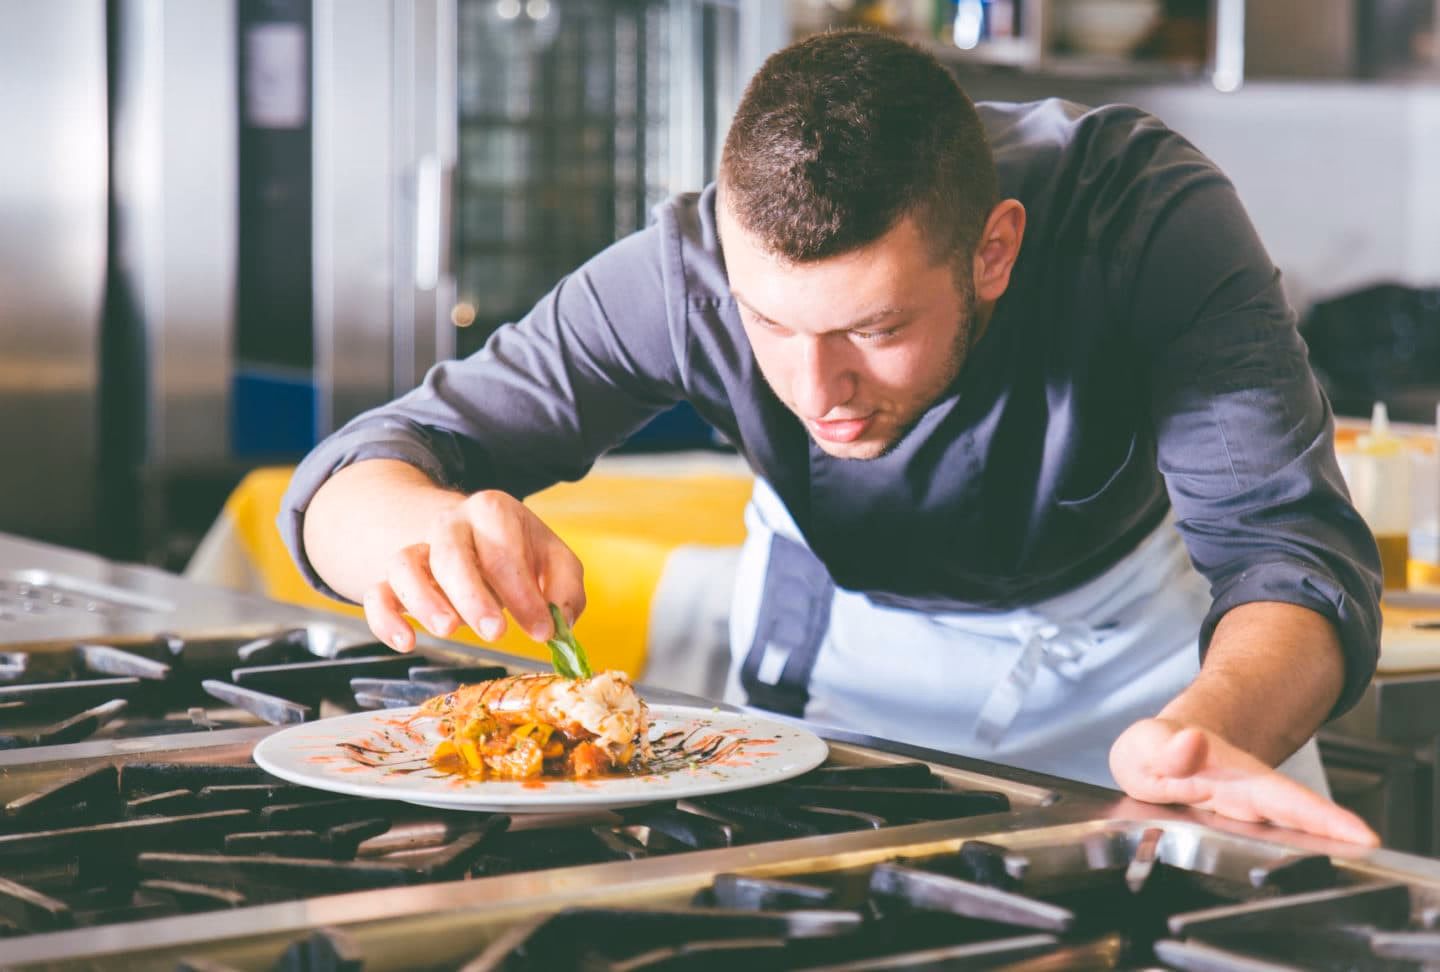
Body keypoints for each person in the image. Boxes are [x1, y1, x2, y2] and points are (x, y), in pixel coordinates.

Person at [281, 29, 1382, 844]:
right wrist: (427, 533)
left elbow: (1290, 550)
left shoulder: (1146, 218)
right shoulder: (685, 267)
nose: (821, 390)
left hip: (1145, 687)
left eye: (877, 327)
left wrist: (1212, 726)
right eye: (771, 325)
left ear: (994, 252)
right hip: (844, 695)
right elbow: (353, 477)